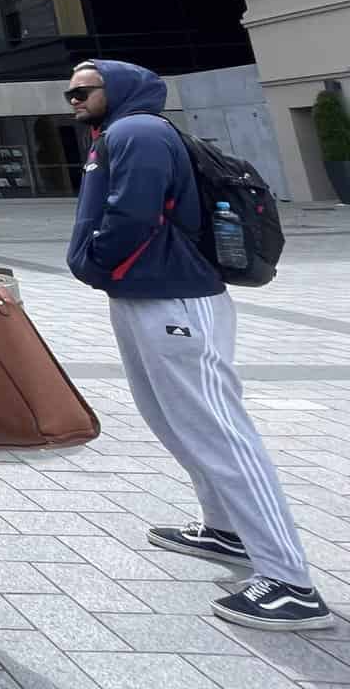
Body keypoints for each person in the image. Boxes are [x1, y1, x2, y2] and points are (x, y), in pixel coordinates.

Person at [65, 60, 331, 630]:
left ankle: (290, 582)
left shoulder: (137, 132)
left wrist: (93, 260)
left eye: (85, 87)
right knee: (173, 419)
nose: (73, 96)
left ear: (122, 88)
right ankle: (226, 529)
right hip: (147, 296)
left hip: (174, 300)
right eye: (70, 89)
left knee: (217, 429)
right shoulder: (118, 134)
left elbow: (132, 214)